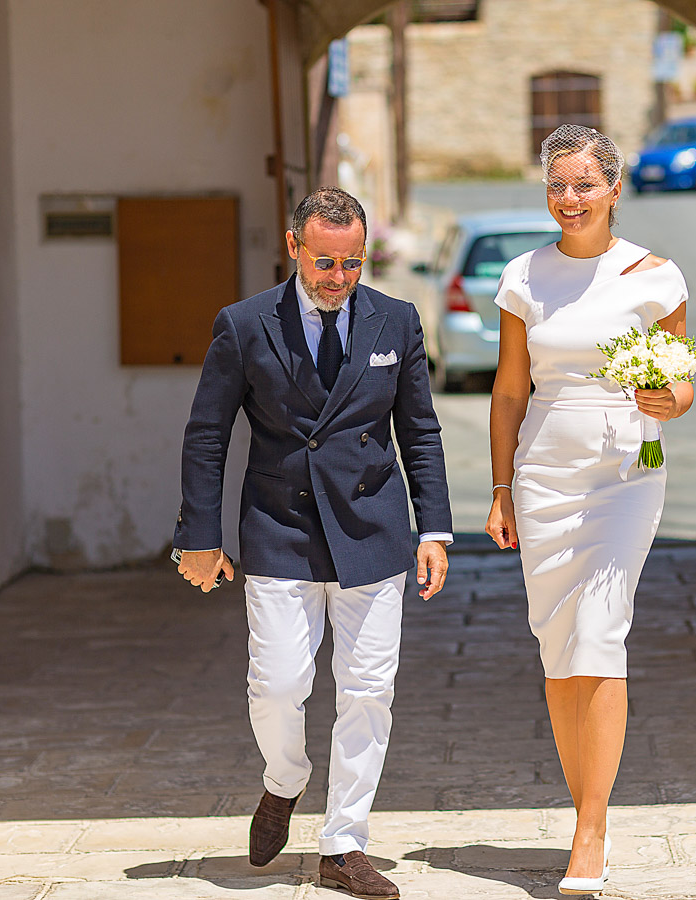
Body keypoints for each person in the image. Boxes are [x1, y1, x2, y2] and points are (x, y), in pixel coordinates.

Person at [174, 187, 452, 900]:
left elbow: (418, 430)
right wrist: (198, 537)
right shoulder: (243, 325)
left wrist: (435, 529)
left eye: (352, 263)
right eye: (325, 261)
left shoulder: (397, 319)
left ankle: (344, 842)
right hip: (280, 526)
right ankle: (285, 779)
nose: (338, 277)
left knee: (367, 690)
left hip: (372, 530)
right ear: (293, 247)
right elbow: (208, 435)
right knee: (279, 684)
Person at [484, 125, 694, 895]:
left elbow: (682, 382)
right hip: (544, 475)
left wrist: (666, 398)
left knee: (601, 635)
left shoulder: (654, 276)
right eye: (557, 185)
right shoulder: (522, 277)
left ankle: (591, 829)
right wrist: (502, 488)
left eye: (583, 185)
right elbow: (509, 391)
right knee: (557, 646)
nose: (569, 199)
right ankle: (584, 809)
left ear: (613, 189)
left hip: (624, 473)